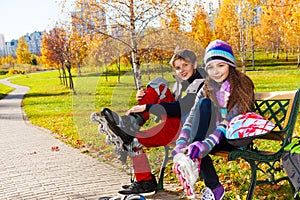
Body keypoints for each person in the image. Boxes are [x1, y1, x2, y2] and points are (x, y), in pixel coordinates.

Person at [100, 49, 207, 196]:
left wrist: (147, 107)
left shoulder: (201, 82)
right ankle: (133, 121)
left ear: (194, 64)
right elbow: (172, 105)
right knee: (159, 85)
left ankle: (145, 181)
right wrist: (144, 98)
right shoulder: (181, 83)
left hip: (186, 129)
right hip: (176, 122)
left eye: (185, 65)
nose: (181, 70)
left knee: (133, 139)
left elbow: (181, 107)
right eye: (177, 67)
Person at [172, 40, 255, 200]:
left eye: (220, 65)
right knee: (203, 104)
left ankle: (193, 158)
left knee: (196, 148)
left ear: (230, 65)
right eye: (210, 67)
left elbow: (229, 121)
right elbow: (192, 117)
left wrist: (203, 144)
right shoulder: (207, 86)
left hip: (235, 137)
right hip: (214, 135)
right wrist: (181, 142)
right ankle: (214, 187)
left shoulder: (243, 84)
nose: (215, 72)